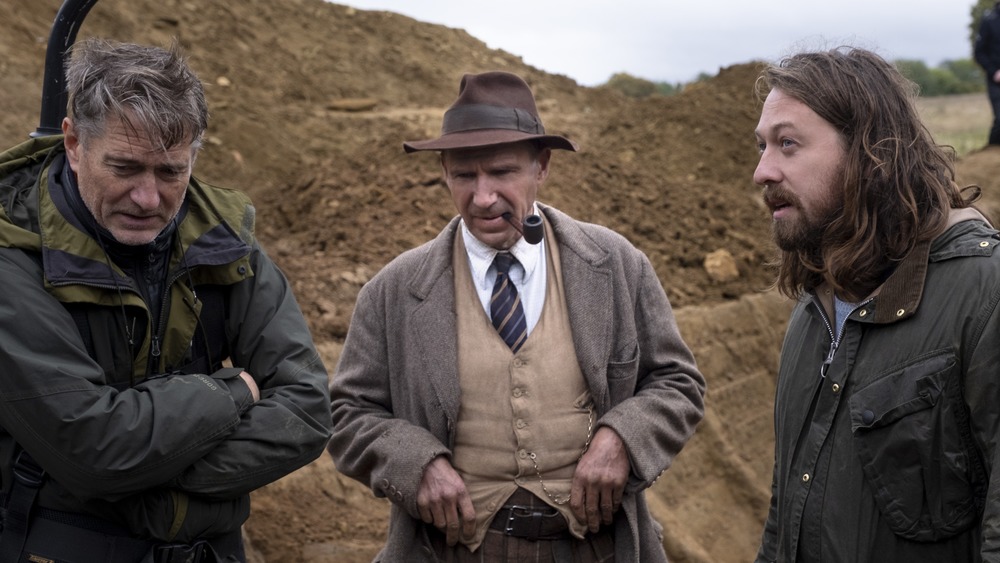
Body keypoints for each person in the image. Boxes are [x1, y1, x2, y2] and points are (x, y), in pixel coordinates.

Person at [327, 71, 706, 562]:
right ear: (444, 172)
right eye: (465, 176)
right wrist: (416, 463)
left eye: (502, 172)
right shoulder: (393, 292)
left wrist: (622, 438)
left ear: (541, 167)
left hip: (595, 549)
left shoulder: (616, 266)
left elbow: (678, 383)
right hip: (453, 551)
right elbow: (347, 416)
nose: (483, 197)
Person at [0, 39, 332, 562]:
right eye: (125, 168)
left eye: (171, 172)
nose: (149, 199)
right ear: (73, 143)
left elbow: (307, 409)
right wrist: (233, 394)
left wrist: (145, 482)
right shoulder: (11, 259)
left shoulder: (224, 242)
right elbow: (95, 450)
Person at [753, 46, 1000, 562]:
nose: (763, 171)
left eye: (788, 144)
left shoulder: (985, 294)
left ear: (870, 153)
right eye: (762, 147)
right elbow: (784, 512)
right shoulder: (813, 313)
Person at [976, 1, 1000, 146]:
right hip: (996, 79)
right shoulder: (988, 21)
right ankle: (991, 152)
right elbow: (979, 52)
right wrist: (994, 72)